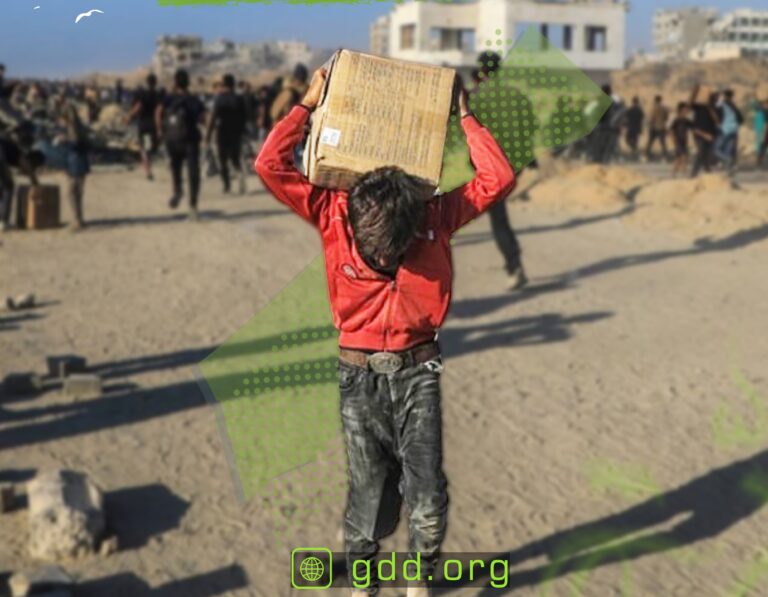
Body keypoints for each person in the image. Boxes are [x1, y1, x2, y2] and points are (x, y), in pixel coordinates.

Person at [255, 68, 515, 597]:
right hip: (358, 378)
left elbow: (498, 178)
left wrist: (464, 114)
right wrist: (307, 104)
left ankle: (419, 575)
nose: (384, 258)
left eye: (397, 250)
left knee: (428, 493)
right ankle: (364, 583)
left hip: (419, 373)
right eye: (373, 250)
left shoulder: (435, 215)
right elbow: (269, 165)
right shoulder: (330, 210)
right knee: (368, 494)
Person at [470, 51, 528, 290]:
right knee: (499, 216)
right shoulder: (516, 96)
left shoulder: (477, 98)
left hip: (488, 166)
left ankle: (514, 265)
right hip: (511, 165)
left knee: (498, 218)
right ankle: (514, 263)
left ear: (482, 71)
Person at [156, 69, 206, 220]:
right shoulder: (193, 100)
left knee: (176, 168)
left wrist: (160, 130)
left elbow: (158, 112)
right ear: (188, 83)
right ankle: (193, 206)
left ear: (175, 82)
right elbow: (203, 118)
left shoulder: (169, 98)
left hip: (173, 140)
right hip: (190, 140)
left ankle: (177, 190)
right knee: (193, 173)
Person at [205, 73, 247, 195]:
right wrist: (242, 131)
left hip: (222, 132)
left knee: (222, 160)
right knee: (236, 158)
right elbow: (244, 116)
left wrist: (208, 135)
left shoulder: (219, 98)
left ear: (224, 84)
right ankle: (241, 180)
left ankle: (227, 186)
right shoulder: (239, 99)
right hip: (235, 133)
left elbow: (213, 117)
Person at [54, 91, 91, 230]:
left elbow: (74, 144)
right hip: (80, 161)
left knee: (72, 192)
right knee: (78, 193)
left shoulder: (72, 129)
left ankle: (77, 221)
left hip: (75, 161)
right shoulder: (79, 127)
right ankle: (79, 218)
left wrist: (63, 141)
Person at [0, 131, 44, 231]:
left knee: (3, 187)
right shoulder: (20, 156)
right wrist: (35, 183)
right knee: (8, 187)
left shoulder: (12, 151)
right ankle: (3, 221)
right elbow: (28, 169)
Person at [126, 73, 162, 181]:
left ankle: (148, 171)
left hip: (144, 125)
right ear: (155, 83)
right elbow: (158, 112)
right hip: (153, 125)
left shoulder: (143, 95)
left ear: (147, 82)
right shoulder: (158, 95)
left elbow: (138, 107)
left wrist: (129, 116)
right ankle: (149, 168)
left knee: (144, 149)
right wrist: (159, 128)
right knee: (150, 148)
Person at [689, 86, 720, 178]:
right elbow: (690, 104)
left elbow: (717, 120)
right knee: (701, 152)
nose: (714, 99)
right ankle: (694, 173)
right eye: (713, 97)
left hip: (711, 134)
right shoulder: (700, 107)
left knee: (706, 154)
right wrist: (694, 92)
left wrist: (710, 108)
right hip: (699, 133)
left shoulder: (716, 109)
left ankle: (706, 171)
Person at [713, 89, 743, 174]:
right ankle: (728, 170)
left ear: (725, 95)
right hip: (734, 130)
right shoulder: (734, 105)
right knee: (727, 150)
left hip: (725, 129)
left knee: (716, 149)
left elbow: (715, 107)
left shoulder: (723, 103)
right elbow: (741, 119)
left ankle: (727, 160)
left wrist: (720, 97)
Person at [669, 102, 692, 178]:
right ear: (681, 110)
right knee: (684, 157)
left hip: (684, 141)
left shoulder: (686, 120)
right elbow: (670, 130)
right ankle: (684, 173)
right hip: (678, 141)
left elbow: (693, 127)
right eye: (685, 109)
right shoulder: (677, 120)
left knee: (679, 159)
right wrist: (673, 139)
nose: (687, 111)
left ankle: (673, 174)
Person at [646, 95, 670, 162]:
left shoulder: (653, 108)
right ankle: (665, 156)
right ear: (660, 100)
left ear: (655, 100)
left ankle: (646, 155)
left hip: (653, 127)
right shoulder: (664, 108)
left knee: (650, 142)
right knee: (663, 143)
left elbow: (651, 118)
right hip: (661, 127)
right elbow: (666, 118)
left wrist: (650, 125)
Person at [624, 96, 644, 161]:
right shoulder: (639, 110)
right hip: (636, 128)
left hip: (630, 127)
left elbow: (626, 118)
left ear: (632, 102)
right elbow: (641, 119)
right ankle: (634, 151)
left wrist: (625, 125)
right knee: (635, 141)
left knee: (627, 140)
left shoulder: (630, 109)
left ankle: (633, 151)